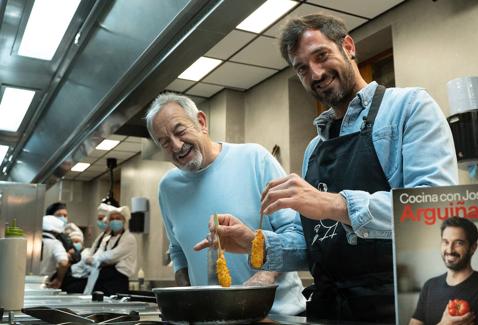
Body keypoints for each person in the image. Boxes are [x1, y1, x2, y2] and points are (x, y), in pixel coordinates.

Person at [196, 13, 459, 322]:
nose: (316, 73)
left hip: (401, 309)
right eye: (302, 68)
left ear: (348, 46)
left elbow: (435, 212)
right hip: (329, 310)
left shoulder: (409, 107)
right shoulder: (314, 149)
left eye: (321, 56)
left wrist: (334, 203)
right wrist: (255, 243)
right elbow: (317, 246)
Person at [145, 93, 306, 315]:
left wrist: (262, 280)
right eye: (164, 142)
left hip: (277, 315)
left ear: (201, 122)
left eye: (180, 131)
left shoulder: (254, 159)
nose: (176, 145)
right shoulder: (167, 188)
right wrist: (186, 297)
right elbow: (177, 250)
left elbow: (295, 231)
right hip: (211, 318)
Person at [409, 217, 478, 325]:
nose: (450, 250)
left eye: (458, 243)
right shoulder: (429, 286)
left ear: (473, 248)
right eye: (445, 242)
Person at [85, 206, 137, 295]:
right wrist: (97, 260)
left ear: (124, 220)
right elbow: (98, 255)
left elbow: (112, 256)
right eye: (112, 219)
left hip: (118, 281)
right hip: (103, 279)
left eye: (118, 218)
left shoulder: (129, 238)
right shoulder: (107, 239)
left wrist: (97, 260)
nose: (114, 221)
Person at [40, 215, 70, 289]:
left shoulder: (30, 240)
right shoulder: (55, 243)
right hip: (44, 284)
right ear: (56, 232)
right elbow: (63, 263)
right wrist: (59, 280)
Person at [61, 228, 89, 293]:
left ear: (82, 243)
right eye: (72, 242)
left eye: (77, 242)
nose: (74, 244)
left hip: (79, 283)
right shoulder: (66, 253)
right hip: (67, 282)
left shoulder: (86, 253)